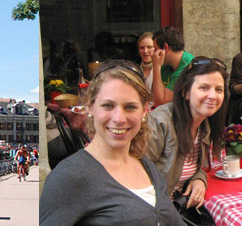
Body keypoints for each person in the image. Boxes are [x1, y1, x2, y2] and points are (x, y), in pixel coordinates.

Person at [40, 60, 184, 225]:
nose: (119, 118)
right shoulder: (68, 177)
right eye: (108, 105)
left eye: (130, 107)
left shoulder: (145, 165)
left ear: (144, 110)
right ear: (90, 107)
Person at [145, 56, 228, 221]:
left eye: (219, 89)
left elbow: (199, 168)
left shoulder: (204, 126)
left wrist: (199, 179)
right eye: (204, 87)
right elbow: (137, 176)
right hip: (155, 214)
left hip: (179, 210)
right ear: (186, 92)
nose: (213, 95)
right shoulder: (160, 122)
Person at [150, 27, 192, 106]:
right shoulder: (166, 64)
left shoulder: (187, 66)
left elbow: (160, 103)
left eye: (155, 49)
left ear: (165, 48)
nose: (153, 54)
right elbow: (153, 95)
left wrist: (156, 67)